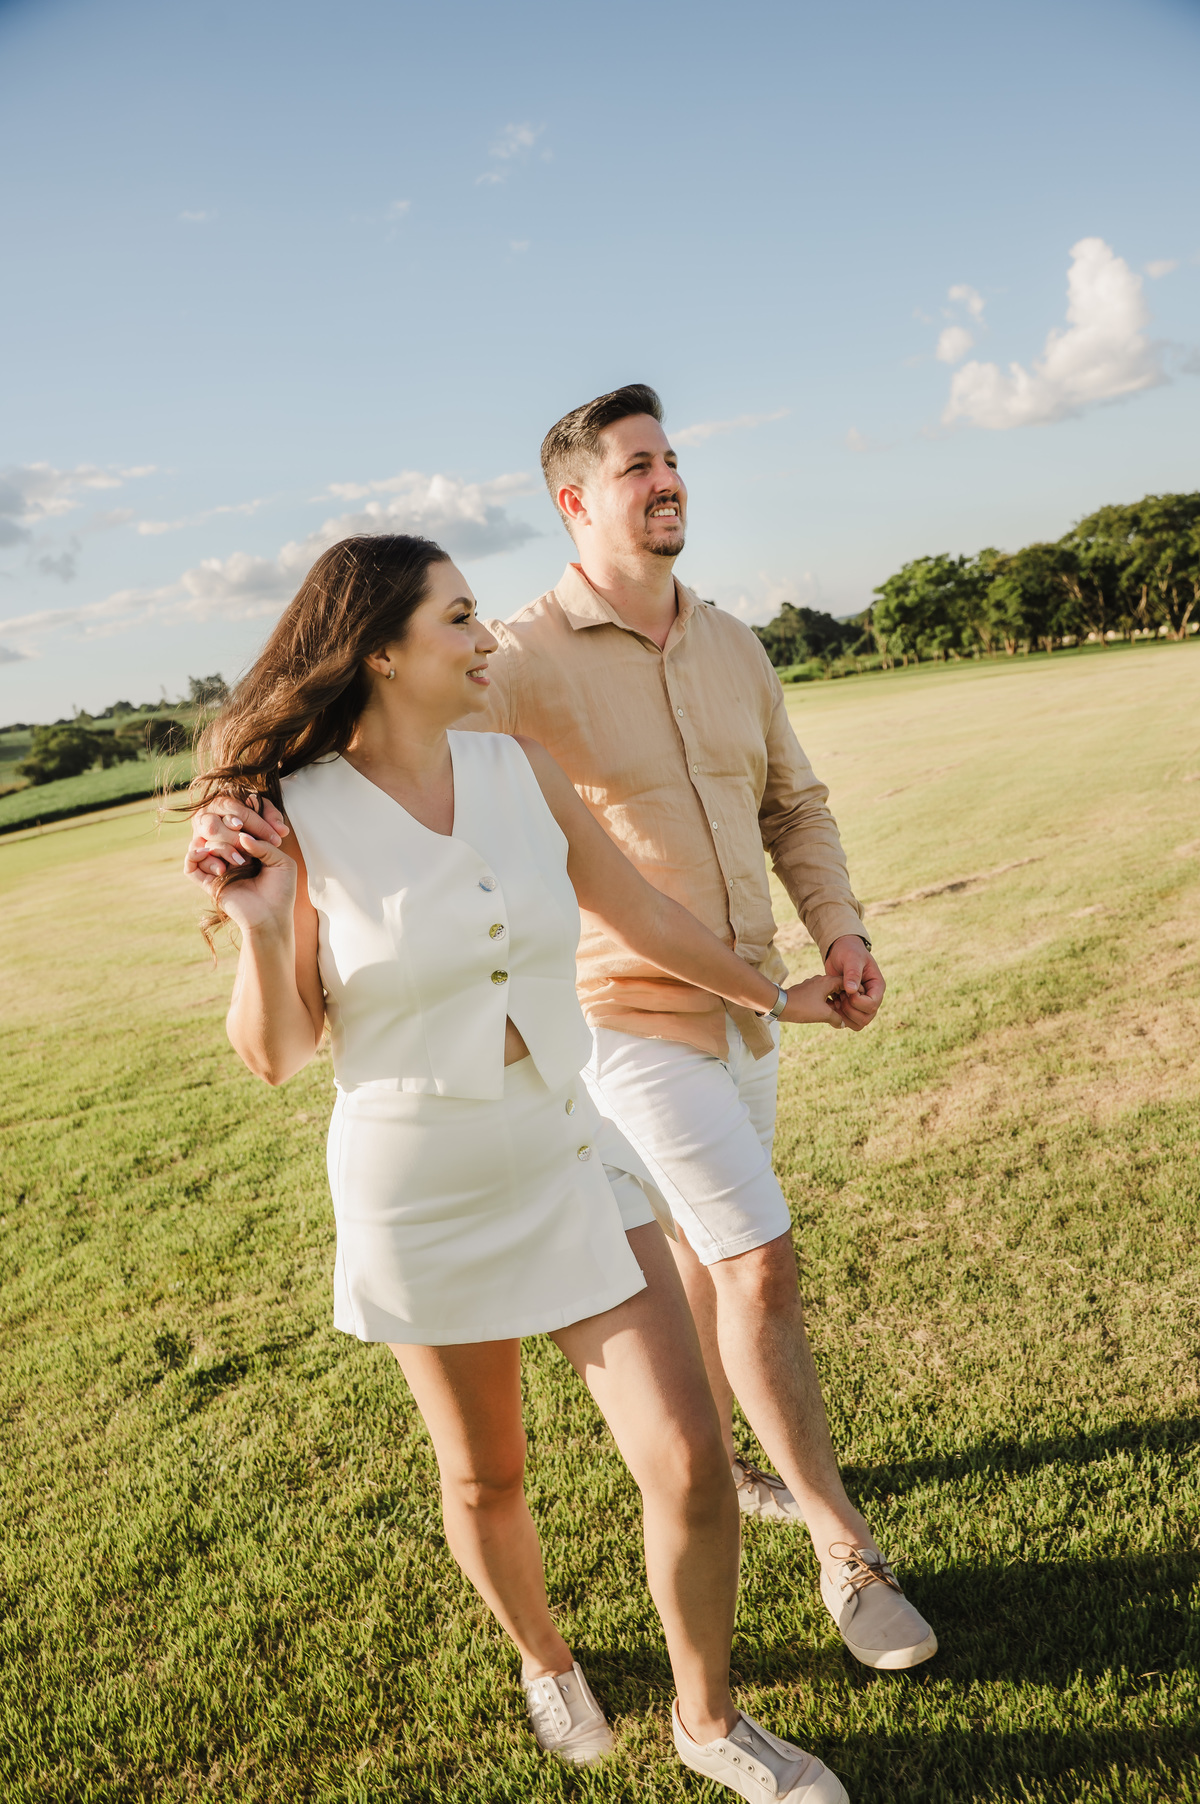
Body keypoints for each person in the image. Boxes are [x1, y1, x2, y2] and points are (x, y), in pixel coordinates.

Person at [184, 532, 854, 1802]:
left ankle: (709, 1721)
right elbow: (275, 1053)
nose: (487, 638)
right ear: (380, 651)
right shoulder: (294, 817)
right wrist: (268, 931)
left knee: (692, 1456)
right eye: (459, 619)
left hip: (562, 1140)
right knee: (486, 1470)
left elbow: (642, 915)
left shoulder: (520, 771)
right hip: (415, 1180)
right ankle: (545, 1656)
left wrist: (776, 992)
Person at [448, 384, 937, 1671]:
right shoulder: (517, 656)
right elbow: (395, 737)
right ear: (575, 501)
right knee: (759, 1257)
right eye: (635, 467)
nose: (667, 482)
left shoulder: (735, 644)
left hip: (754, 1012)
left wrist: (843, 931)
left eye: (671, 460)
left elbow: (797, 805)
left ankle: (729, 1462)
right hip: (618, 1021)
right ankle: (848, 1550)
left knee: (706, 1257)